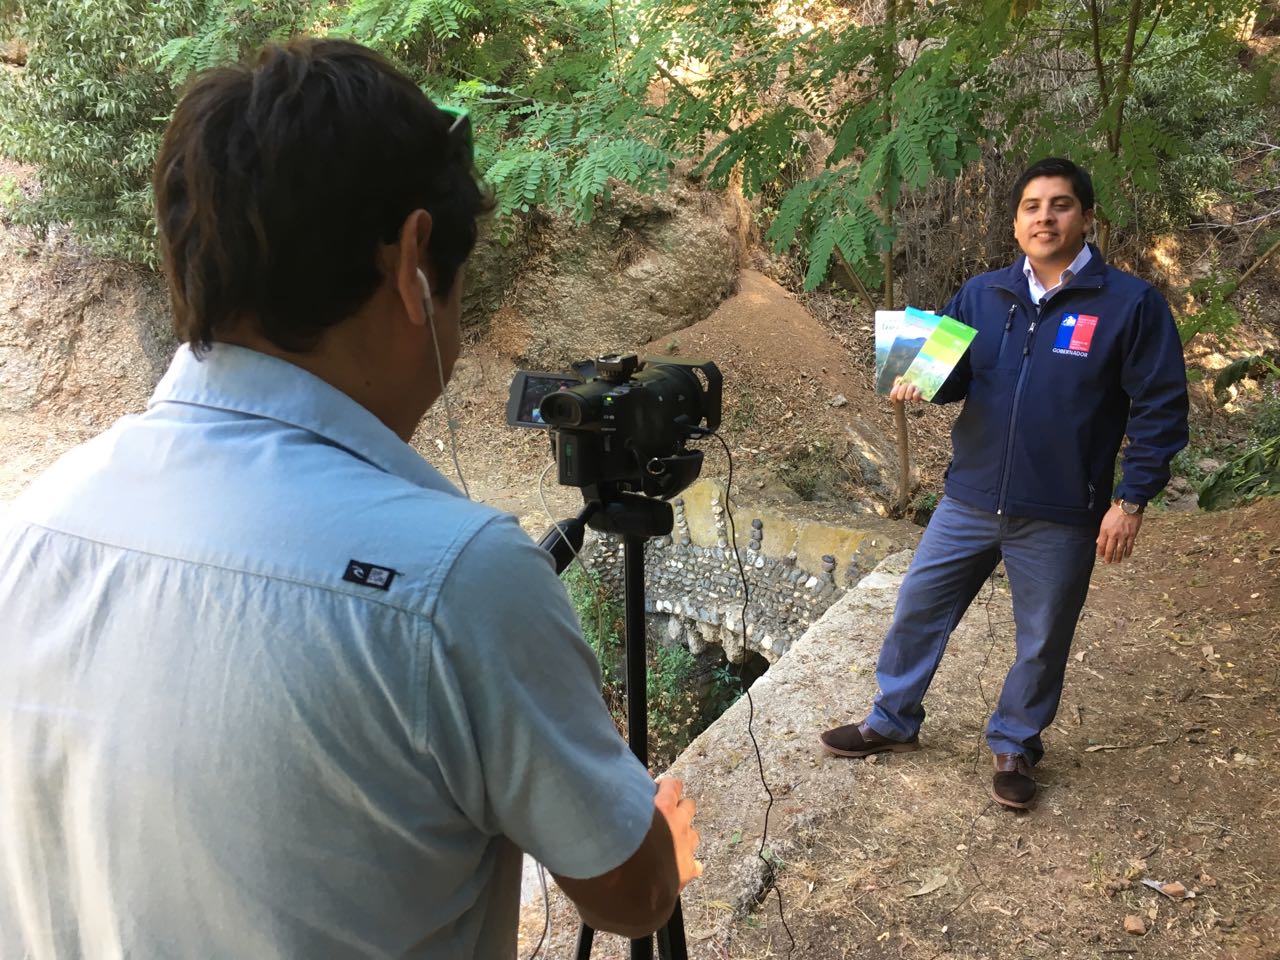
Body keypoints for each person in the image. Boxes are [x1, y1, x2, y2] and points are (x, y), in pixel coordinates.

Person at [0, 38, 699, 958]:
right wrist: (655, 839)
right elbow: (631, 895)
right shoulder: (459, 585)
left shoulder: (28, 527)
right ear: (415, 260)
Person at [820, 157, 1189, 810]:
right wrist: (917, 379)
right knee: (918, 608)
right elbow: (957, 379)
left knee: (1043, 638)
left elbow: (1161, 408)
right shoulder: (982, 294)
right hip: (968, 497)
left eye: (1061, 204)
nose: (1044, 216)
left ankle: (1016, 744)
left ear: (1087, 217)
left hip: (1062, 511)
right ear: (1017, 222)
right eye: (1031, 206)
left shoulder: (1131, 305)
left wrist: (1129, 500)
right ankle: (891, 719)